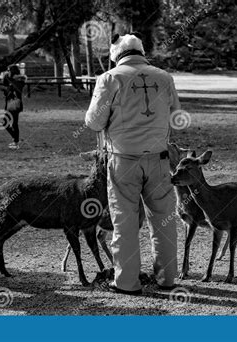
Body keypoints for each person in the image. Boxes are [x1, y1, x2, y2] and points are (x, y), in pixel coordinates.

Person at [85, 33, 181, 295]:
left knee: (124, 222)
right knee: (164, 220)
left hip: (123, 160)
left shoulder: (110, 78)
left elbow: (93, 122)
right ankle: (167, 278)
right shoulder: (164, 77)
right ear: (141, 51)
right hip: (159, 159)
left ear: (116, 55)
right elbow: (176, 117)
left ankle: (127, 282)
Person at [3, 64, 26, 149]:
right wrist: (7, 77)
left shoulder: (19, 80)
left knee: (11, 122)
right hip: (9, 103)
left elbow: (17, 89)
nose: (7, 72)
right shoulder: (10, 79)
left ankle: (16, 141)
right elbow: (4, 84)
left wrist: (10, 81)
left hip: (15, 104)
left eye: (9, 70)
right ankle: (15, 139)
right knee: (7, 122)